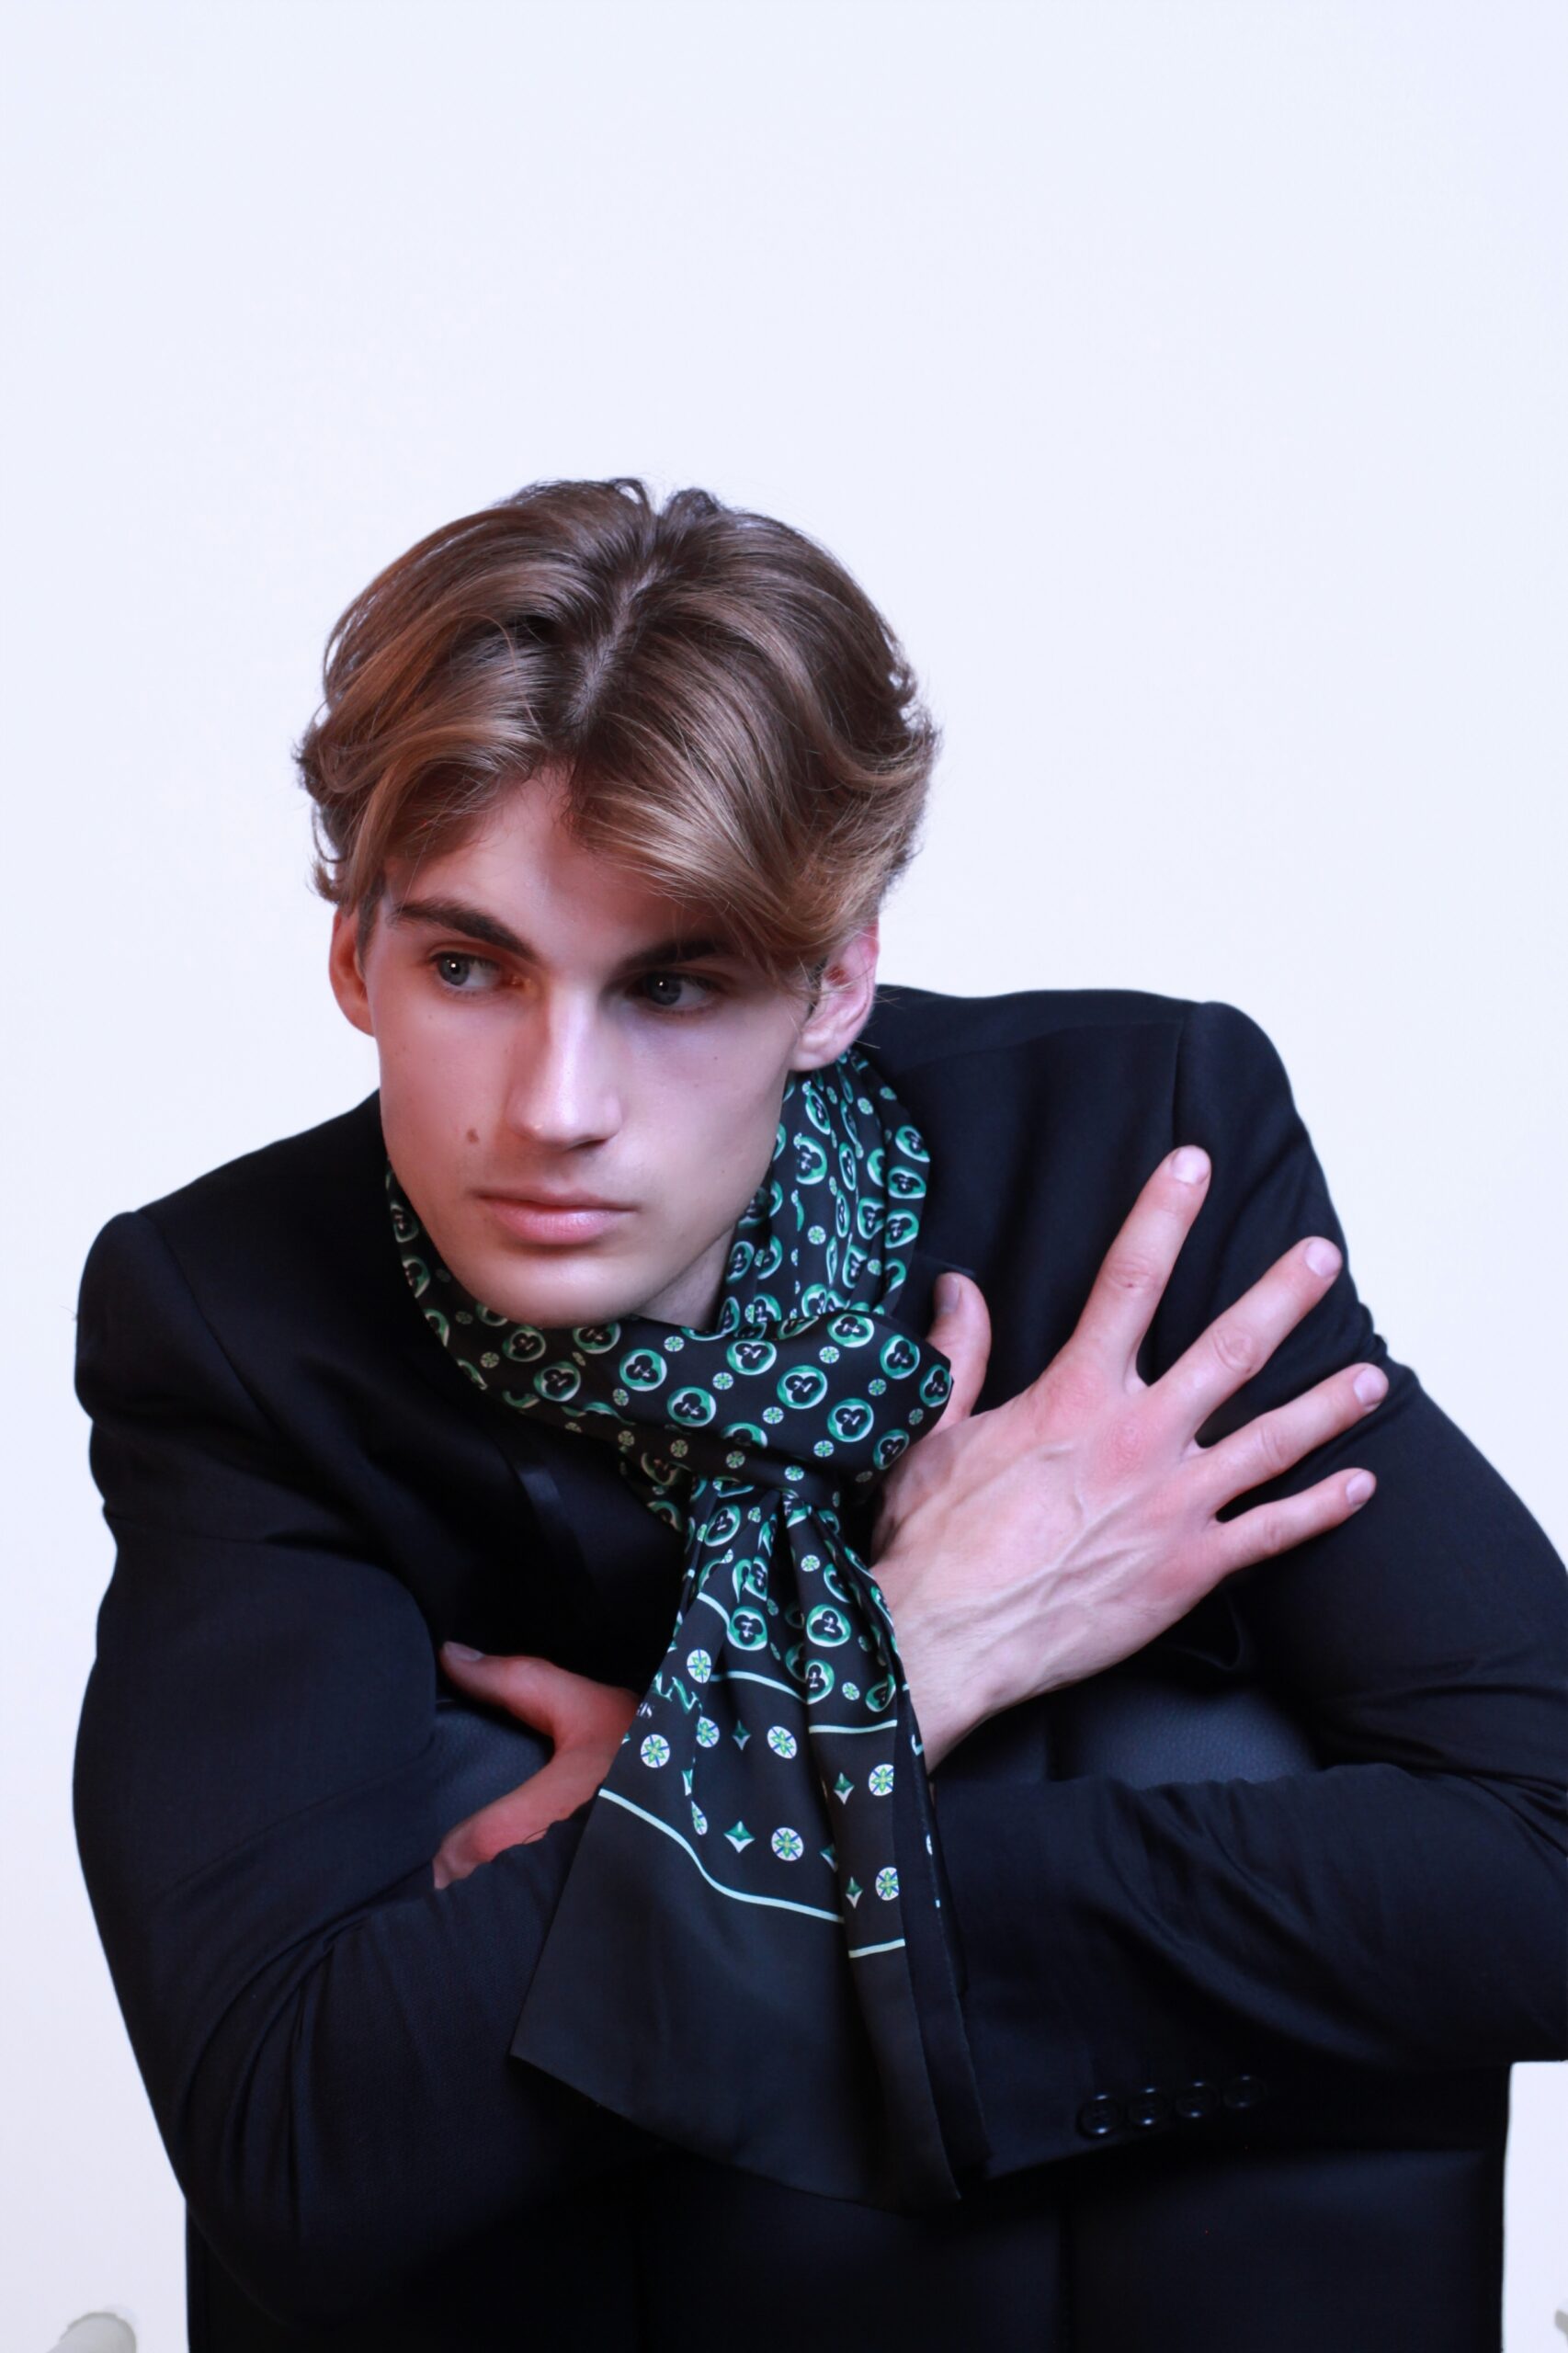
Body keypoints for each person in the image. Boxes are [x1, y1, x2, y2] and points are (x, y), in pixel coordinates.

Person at [72, 477, 1567, 2353]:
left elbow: (1547, 1859)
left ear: (834, 976)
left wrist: (708, 1813)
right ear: (352, 953)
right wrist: (904, 1664)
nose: (553, 1107)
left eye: (674, 982)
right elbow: (298, 2146)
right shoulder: (236, 1319)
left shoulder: (1128, 1157)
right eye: (468, 967)